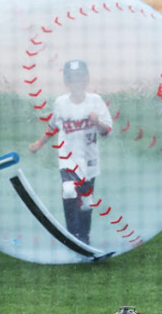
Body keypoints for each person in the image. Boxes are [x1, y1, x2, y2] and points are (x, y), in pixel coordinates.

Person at [28, 59, 112, 245]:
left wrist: (97, 121)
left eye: (80, 78)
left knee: (87, 201)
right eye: (72, 79)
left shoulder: (95, 101)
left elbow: (107, 131)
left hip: (90, 161)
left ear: (87, 79)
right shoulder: (61, 103)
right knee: (68, 190)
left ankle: (84, 238)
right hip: (68, 159)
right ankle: (72, 236)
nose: (77, 82)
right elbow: (53, 127)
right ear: (66, 81)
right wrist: (39, 143)